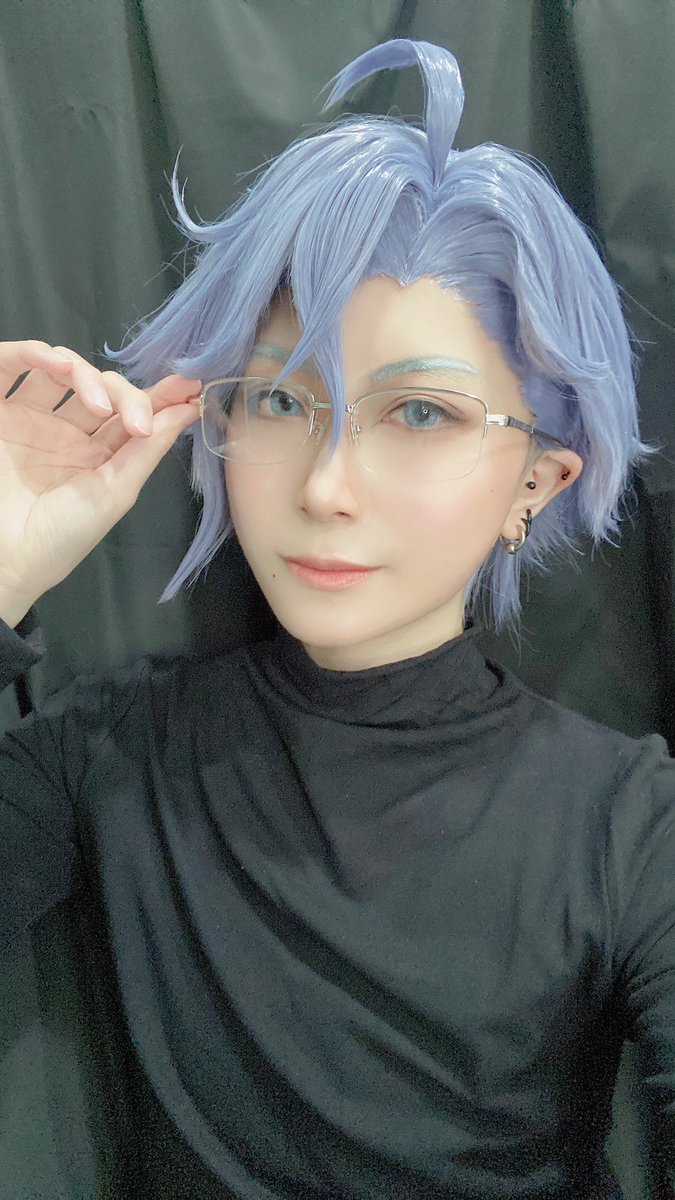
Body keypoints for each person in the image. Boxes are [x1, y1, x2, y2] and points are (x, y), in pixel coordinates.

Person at [0, 37, 672, 1200]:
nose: (324, 487)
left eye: (420, 413)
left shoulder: (629, 825)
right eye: (278, 399)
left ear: (538, 480)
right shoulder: (114, 754)